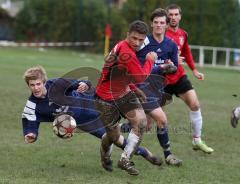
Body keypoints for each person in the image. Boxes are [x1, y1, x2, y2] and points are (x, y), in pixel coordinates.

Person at [22, 66, 162, 167]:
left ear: (44, 82)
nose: (35, 88)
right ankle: (144, 152)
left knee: (120, 110)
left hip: (91, 106)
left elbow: (83, 83)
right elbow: (29, 121)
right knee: (117, 141)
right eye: (32, 85)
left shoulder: (58, 84)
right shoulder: (33, 104)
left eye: (38, 84)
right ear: (28, 85)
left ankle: (130, 122)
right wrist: (31, 133)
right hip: (85, 123)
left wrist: (84, 84)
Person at [95, 20, 157, 175]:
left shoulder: (122, 45)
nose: (137, 43)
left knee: (141, 122)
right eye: (134, 38)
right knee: (113, 136)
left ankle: (125, 159)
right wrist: (150, 61)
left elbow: (120, 73)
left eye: (140, 40)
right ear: (127, 35)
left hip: (122, 92)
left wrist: (133, 89)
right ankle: (105, 155)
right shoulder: (126, 52)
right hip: (105, 98)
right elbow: (141, 77)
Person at [135, 8, 182, 166]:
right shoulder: (143, 42)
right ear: (151, 24)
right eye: (156, 22)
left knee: (145, 126)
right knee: (162, 120)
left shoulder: (171, 45)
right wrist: (158, 68)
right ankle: (168, 155)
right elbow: (135, 67)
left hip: (158, 90)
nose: (159, 25)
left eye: (162, 23)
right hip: (142, 87)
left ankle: (116, 130)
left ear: (167, 25)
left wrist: (171, 67)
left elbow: (175, 67)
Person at [165, 4, 214, 153]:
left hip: (179, 76)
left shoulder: (183, 34)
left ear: (180, 16)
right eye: (170, 15)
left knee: (195, 105)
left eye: (175, 14)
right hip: (162, 79)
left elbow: (186, 51)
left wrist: (194, 70)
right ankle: (122, 131)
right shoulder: (161, 33)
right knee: (148, 121)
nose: (173, 17)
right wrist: (171, 60)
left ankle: (197, 140)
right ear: (167, 17)